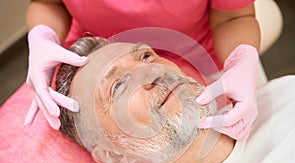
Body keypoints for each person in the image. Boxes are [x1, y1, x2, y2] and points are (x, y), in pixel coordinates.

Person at [55, 37, 295, 163]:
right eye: (118, 86)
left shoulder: (286, 94)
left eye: (146, 57)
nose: (154, 72)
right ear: (113, 155)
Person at [24, 0, 260, 140]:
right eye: (119, 86)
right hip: (91, 52)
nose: (149, 74)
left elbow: (233, 17)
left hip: (196, 57)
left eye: (146, 57)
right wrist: (42, 37)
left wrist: (241, 61)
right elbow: (48, 3)